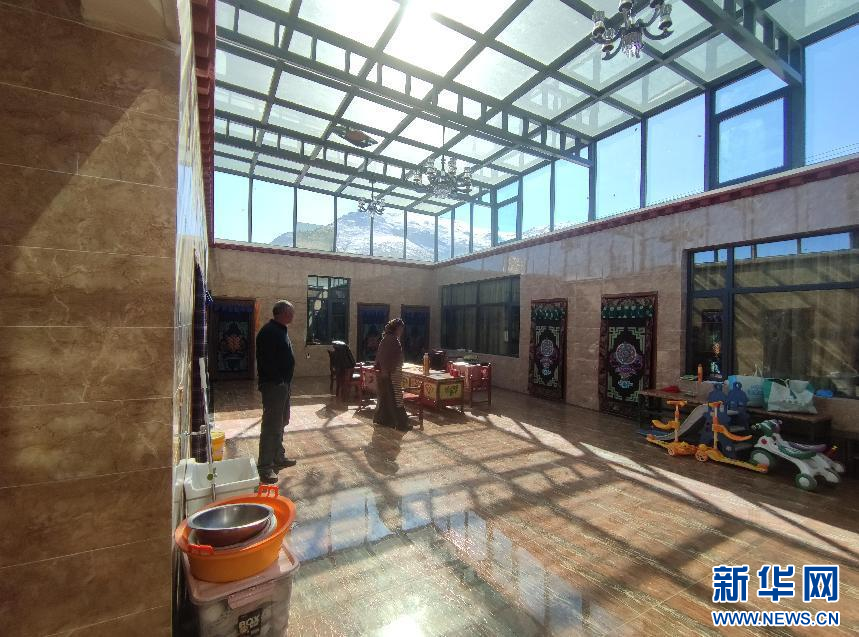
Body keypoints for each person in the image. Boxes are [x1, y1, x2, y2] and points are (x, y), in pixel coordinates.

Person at [255, 300, 298, 484]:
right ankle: (265, 467)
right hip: (274, 385)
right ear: (281, 313)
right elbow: (266, 361)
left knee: (281, 422)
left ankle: (278, 457)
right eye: (290, 312)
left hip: (282, 385)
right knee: (271, 425)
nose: (293, 315)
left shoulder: (280, 330)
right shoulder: (269, 332)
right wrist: (279, 380)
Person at [373, 318, 412, 431]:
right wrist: (388, 371)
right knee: (397, 397)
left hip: (387, 373)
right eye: (401, 329)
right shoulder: (393, 340)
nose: (402, 332)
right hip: (392, 373)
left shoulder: (385, 339)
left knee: (386, 397)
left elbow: (381, 357)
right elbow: (387, 358)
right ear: (397, 328)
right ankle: (401, 423)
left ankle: (384, 420)